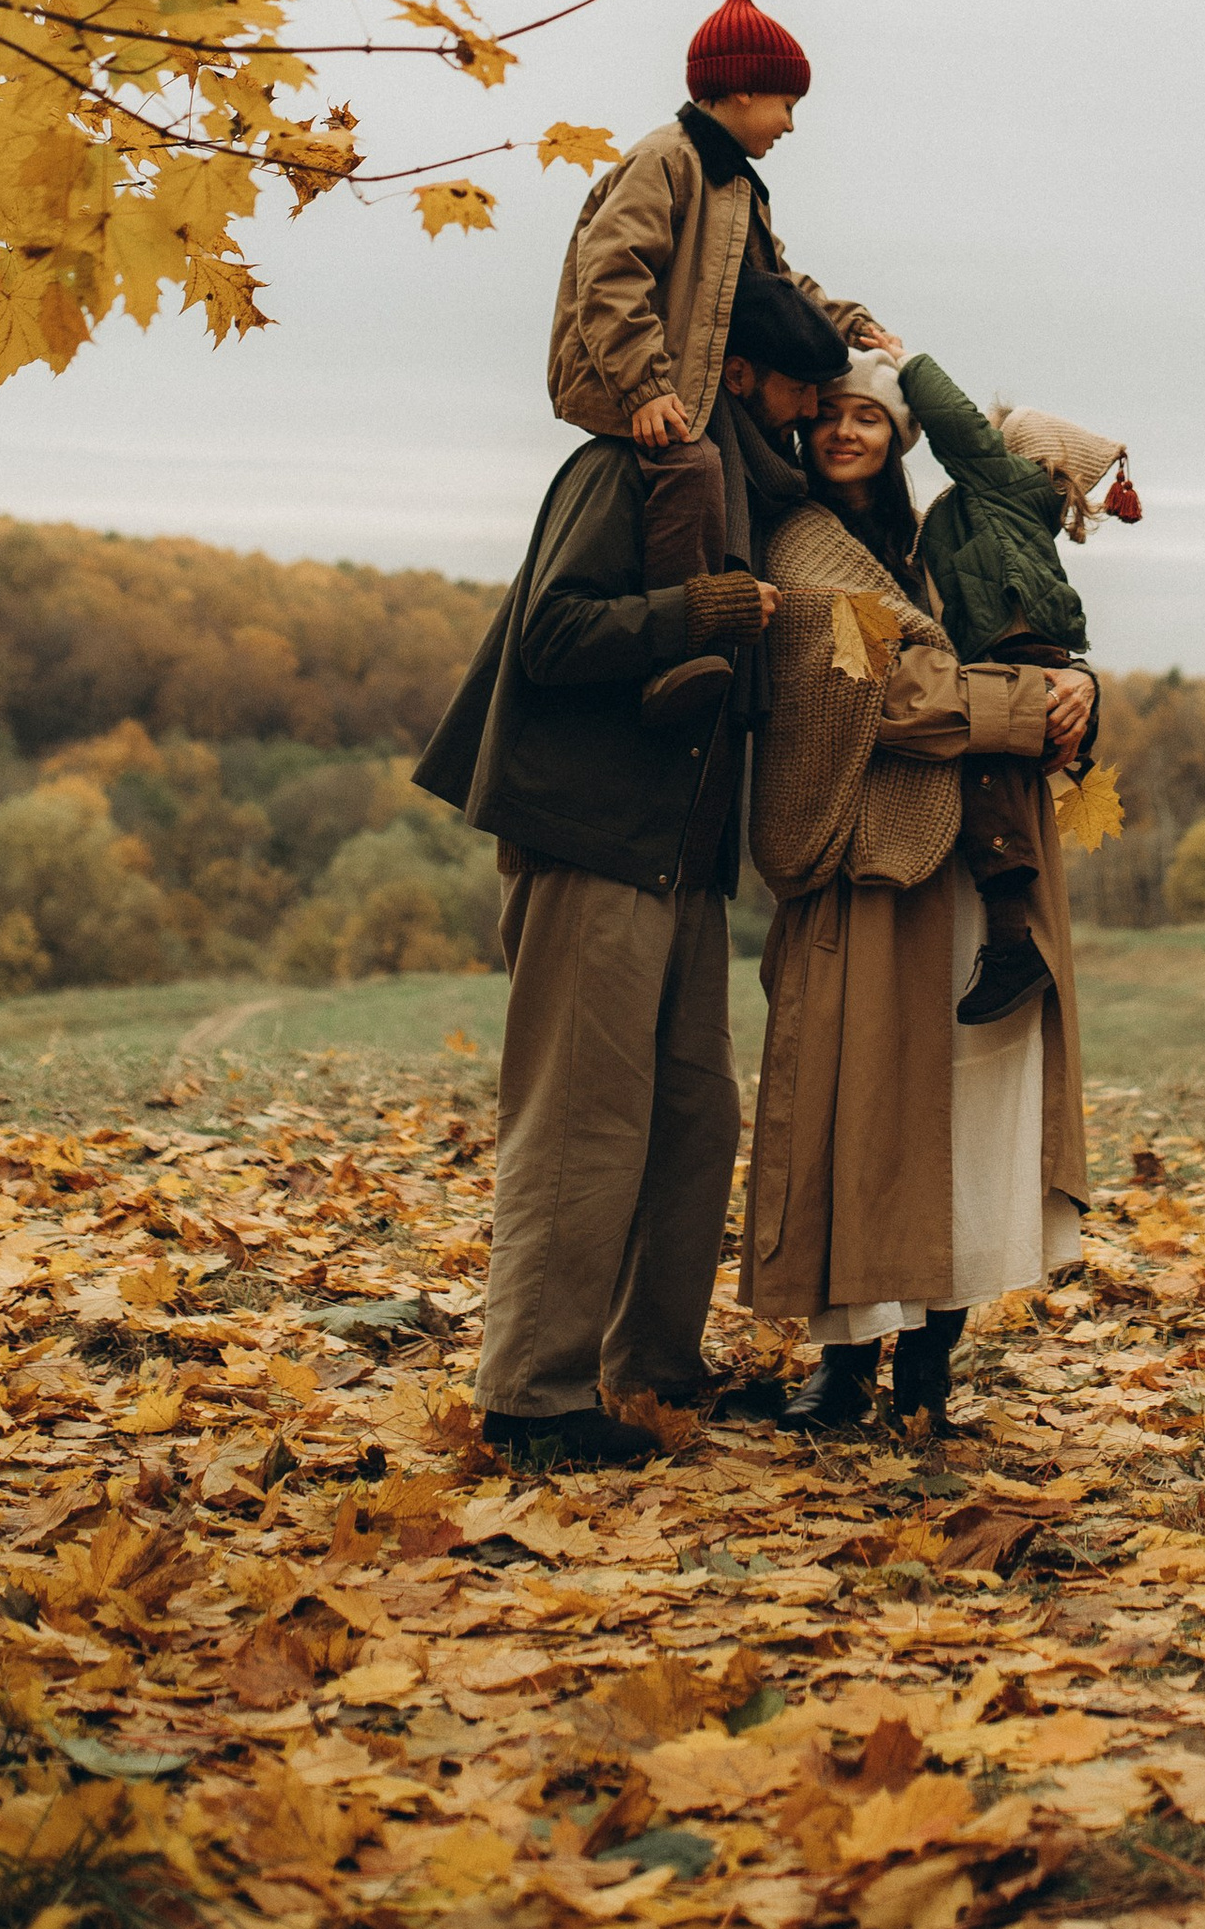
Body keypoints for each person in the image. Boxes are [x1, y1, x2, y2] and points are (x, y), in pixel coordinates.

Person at [417, 268, 854, 1468]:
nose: (815, 411)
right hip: (592, 831)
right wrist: (693, 612)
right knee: (579, 1119)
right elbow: (550, 633)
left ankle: (650, 1368)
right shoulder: (621, 467)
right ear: (744, 373)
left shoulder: (754, 494)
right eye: (801, 385)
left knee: (693, 1113)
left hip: (683, 854)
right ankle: (530, 1397)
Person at [737, 361, 1095, 1436]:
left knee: (965, 1106)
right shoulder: (805, 545)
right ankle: (842, 1366)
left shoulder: (938, 541)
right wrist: (1042, 700)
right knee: (858, 1105)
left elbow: (1017, 641)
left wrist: (1081, 684)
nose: (846, 432)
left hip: (973, 868)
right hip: (868, 862)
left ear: (898, 436)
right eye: (832, 414)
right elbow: (892, 693)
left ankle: (931, 1361)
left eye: (870, 417)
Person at [547, 0, 899, 738]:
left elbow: (779, 285)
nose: (791, 124)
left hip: (679, 386)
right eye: (786, 104)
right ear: (740, 90)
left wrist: (849, 321)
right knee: (693, 468)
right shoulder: (664, 163)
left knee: (718, 470)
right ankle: (675, 659)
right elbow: (610, 274)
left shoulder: (735, 184)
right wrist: (643, 386)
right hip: (633, 382)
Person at [900, 356, 1140, 1026]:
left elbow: (955, 427)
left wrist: (906, 362)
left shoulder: (1002, 484)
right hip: (1019, 653)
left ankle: (1010, 940)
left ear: (1019, 456)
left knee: (988, 781)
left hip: (1012, 655)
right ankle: (1008, 935)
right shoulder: (996, 509)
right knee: (995, 780)